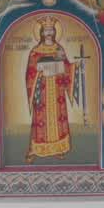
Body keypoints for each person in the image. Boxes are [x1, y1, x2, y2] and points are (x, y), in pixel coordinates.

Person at [25, 17, 73, 163]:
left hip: (57, 89)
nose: (49, 32)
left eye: (51, 30)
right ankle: (35, 149)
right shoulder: (35, 51)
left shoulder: (59, 49)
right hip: (42, 89)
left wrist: (72, 68)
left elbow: (66, 68)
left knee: (58, 117)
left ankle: (59, 148)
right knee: (41, 119)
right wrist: (40, 72)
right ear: (41, 32)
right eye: (46, 30)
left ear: (54, 31)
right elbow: (30, 72)